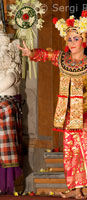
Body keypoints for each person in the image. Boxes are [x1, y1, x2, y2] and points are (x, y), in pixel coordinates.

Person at [18, 10, 87, 199]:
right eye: (69, 39)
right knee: (71, 153)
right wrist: (31, 53)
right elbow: (46, 55)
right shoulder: (62, 59)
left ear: (84, 40)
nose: (71, 43)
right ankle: (75, 188)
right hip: (70, 115)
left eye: (76, 39)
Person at [0, 22, 23, 194]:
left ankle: (7, 182)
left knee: (4, 110)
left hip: (7, 103)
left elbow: (8, 82)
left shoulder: (12, 69)